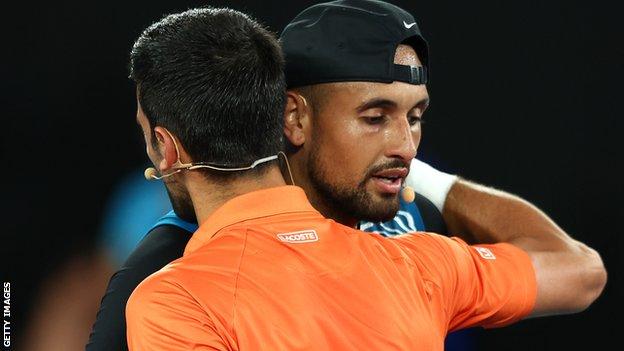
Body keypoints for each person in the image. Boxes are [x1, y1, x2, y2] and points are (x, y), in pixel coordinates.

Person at [123, 4, 605, 350]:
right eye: (375, 117)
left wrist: (428, 179)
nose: (405, 147)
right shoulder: (418, 265)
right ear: (292, 117)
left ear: (166, 149)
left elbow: (582, 273)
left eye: (415, 118)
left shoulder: (174, 298)